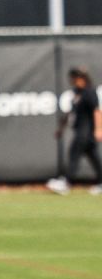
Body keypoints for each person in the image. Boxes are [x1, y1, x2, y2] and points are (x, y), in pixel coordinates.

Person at [47, 66, 102, 195]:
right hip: (80, 130)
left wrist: (99, 129)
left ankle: (66, 182)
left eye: (75, 77)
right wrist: (61, 128)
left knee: (74, 155)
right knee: (94, 158)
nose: (73, 80)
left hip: (86, 131)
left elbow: (97, 111)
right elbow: (70, 112)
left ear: (83, 78)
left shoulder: (89, 92)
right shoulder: (77, 93)